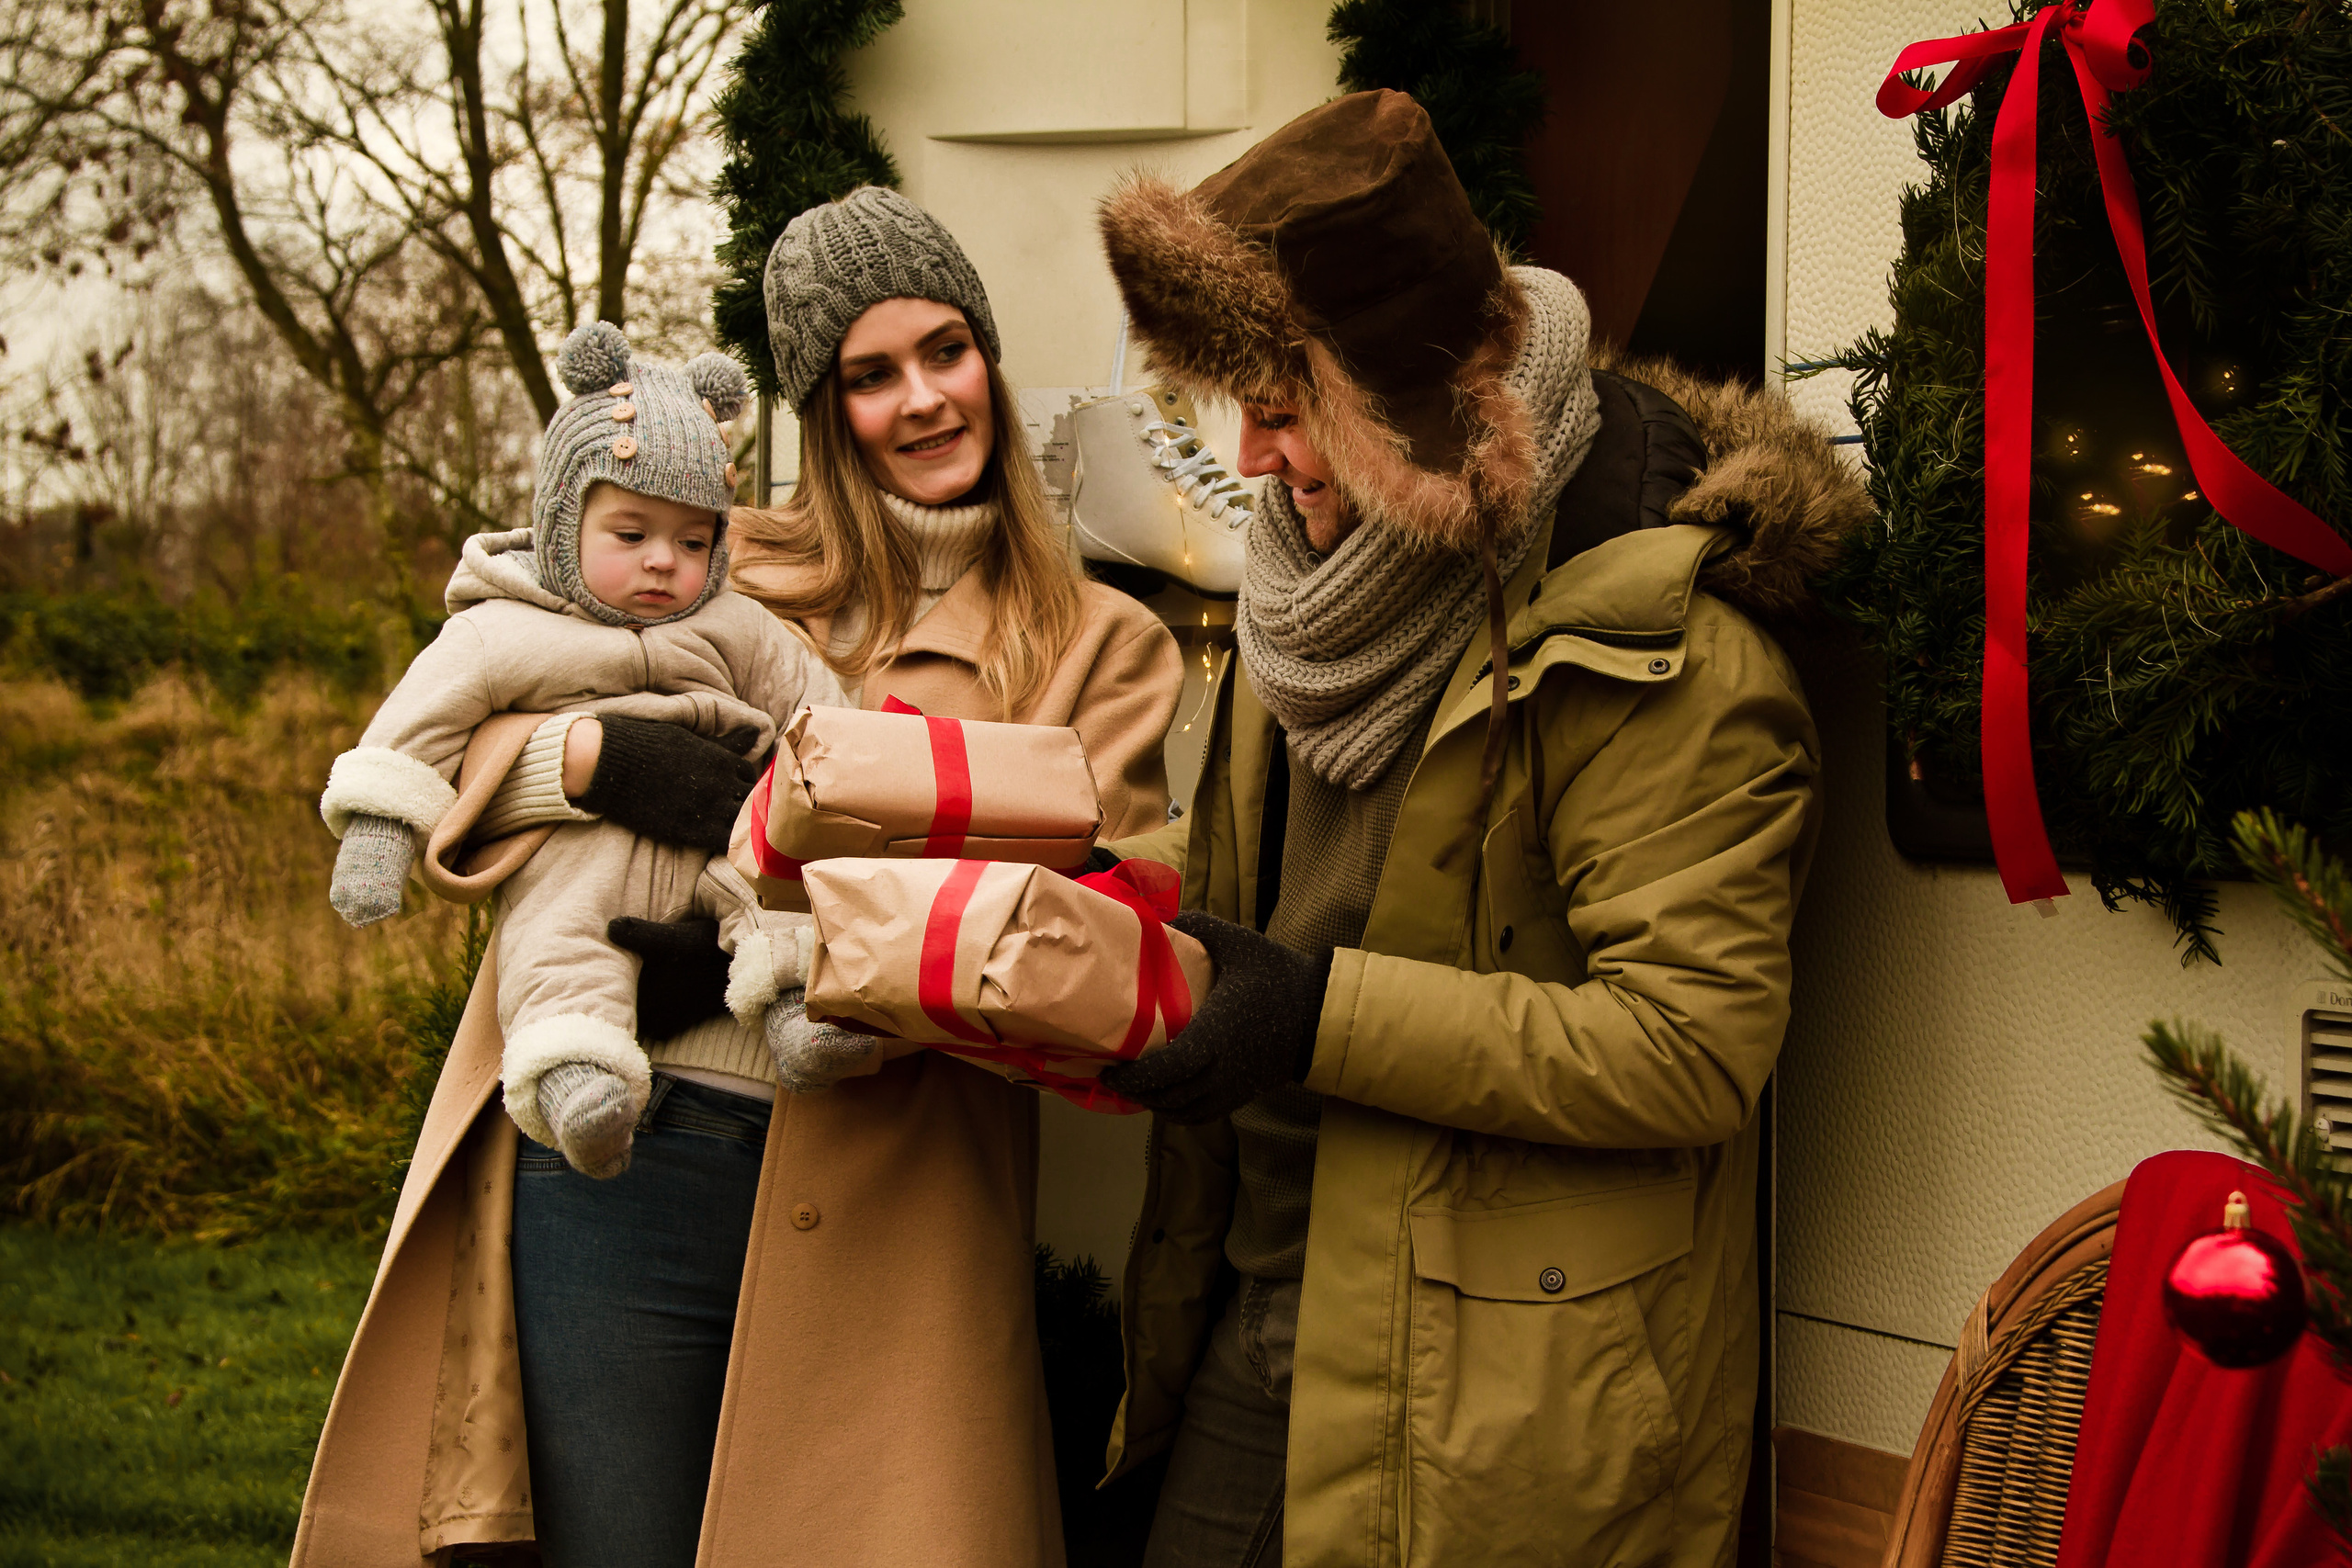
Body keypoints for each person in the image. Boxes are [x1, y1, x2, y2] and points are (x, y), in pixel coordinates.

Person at [293, 186, 1183, 1568]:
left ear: (990, 361)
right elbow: (486, 708)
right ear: (822, 412)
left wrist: (807, 926)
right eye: (868, 374)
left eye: (944, 350)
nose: (923, 399)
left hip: (894, 1192)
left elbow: (1077, 933)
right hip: (620, 1145)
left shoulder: (1102, 643)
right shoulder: (707, 556)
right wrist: (594, 763)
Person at [1089, 90, 1870, 1565]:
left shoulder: (1673, 652)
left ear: (1406, 398)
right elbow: (1273, 900)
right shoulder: (1310, 594)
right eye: (1232, 399)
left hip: (1494, 1401)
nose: (1252, 456)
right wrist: (1097, 909)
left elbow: (1688, 1047)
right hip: (1261, 1320)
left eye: (1287, 399)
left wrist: (1312, 1016)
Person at [320, 322, 842, 1181]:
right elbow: (421, 722)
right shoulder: (500, 628)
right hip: (583, 850)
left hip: (728, 830)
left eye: (692, 541)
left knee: (775, 902)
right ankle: (577, 1079)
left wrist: (824, 778)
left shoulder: (737, 624)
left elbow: (821, 710)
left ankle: (802, 1017)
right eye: (630, 534)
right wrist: (381, 829)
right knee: (561, 937)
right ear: (565, 521)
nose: (662, 563)